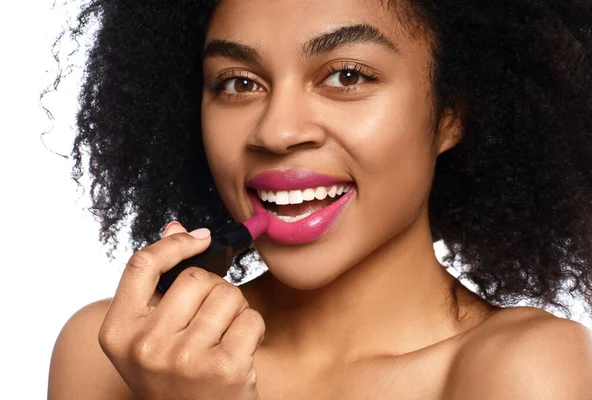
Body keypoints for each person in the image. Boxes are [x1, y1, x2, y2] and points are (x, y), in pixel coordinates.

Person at [48, 0, 592, 398]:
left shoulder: (524, 372)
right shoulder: (112, 354)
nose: (277, 132)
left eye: (346, 76)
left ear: (450, 113)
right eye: (238, 83)